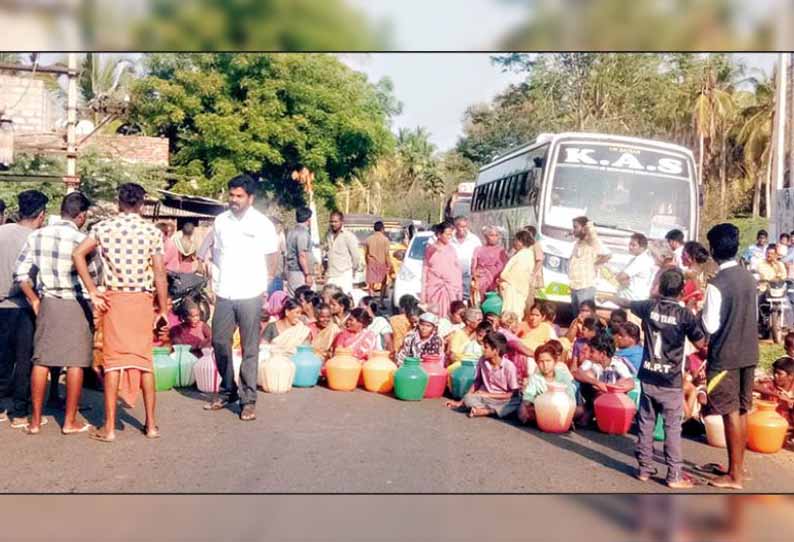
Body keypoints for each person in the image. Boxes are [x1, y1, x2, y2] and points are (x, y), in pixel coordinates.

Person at [73, 183, 168, 442]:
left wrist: (92, 290)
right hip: (142, 300)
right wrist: (163, 308)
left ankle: (110, 427)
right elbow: (160, 273)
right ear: (142, 203)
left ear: (118, 202)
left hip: (114, 300)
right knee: (144, 363)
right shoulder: (152, 232)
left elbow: (78, 254)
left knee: (113, 363)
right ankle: (151, 425)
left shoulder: (103, 228)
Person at [612, 269, 707, 488]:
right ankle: (674, 475)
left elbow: (627, 302)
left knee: (646, 422)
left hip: (648, 375)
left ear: (660, 288)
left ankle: (644, 469)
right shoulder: (685, 316)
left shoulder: (648, 307)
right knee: (672, 428)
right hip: (670, 380)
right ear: (682, 290)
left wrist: (609, 297)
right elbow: (701, 343)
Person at [13, 192, 97, 435]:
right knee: (75, 362)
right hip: (75, 302)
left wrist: (35, 300)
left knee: (42, 359)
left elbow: (20, 275)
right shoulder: (82, 239)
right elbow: (96, 276)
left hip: (47, 301)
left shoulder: (36, 236)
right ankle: (70, 421)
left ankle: (35, 422)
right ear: (81, 216)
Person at [202, 174, 279, 423]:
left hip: (251, 293)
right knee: (220, 342)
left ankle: (248, 400)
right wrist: (214, 281)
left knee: (249, 348)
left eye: (239, 196)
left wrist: (265, 283)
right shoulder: (221, 221)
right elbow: (216, 252)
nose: (234, 200)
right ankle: (228, 390)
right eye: (231, 195)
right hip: (224, 291)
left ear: (250, 198)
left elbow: (272, 256)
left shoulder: (262, 224)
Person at [702, 222, 759, 490]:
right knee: (743, 408)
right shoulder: (749, 277)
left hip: (725, 356)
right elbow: (755, 317)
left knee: (730, 412)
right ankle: (738, 468)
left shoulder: (717, 284)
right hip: (749, 352)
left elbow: (711, 326)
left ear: (713, 250)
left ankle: (734, 476)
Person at [0, 190, 48, 428]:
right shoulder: (36, 239)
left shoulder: (1, 232)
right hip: (24, 305)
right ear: (41, 214)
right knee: (24, 360)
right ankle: (19, 412)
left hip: (0, 306)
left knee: (1, 359)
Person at [444, 331, 521, 419]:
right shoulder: (482, 360)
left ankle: (488, 411)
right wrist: (461, 402)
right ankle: (491, 410)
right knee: (469, 398)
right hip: (485, 399)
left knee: (517, 402)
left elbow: (513, 393)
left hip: (503, 399)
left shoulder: (509, 366)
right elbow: (477, 382)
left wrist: (488, 395)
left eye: (486, 347)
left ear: (496, 350)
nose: (482, 349)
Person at [573, 334, 637, 427]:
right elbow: (578, 373)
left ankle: (590, 413)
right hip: (594, 398)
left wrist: (611, 389)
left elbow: (631, 383)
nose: (589, 355)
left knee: (622, 381)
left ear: (602, 354)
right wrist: (598, 383)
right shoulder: (591, 362)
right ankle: (590, 411)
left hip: (612, 401)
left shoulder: (618, 364)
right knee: (587, 375)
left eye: (592, 351)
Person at [517, 343, 576, 426]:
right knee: (525, 411)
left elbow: (571, 398)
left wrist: (569, 414)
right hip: (543, 408)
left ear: (555, 361)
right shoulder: (535, 378)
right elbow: (528, 397)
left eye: (548, 361)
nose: (545, 365)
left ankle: (560, 420)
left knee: (580, 410)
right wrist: (524, 406)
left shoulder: (564, 376)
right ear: (537, 363)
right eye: (541, 362)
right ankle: (556, 422)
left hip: (562, 408)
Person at [753, 344, 794, 444]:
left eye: (779, 374)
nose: (775, 376)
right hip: (770, 426)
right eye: (774, 372)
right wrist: (777, 395)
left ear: (791, 376)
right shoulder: (770, 385)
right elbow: (752, 386)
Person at [568, 216, 611, 311]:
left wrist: (595, 264)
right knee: (577, 318)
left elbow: (607, 255)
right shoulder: (579, 242)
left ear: (584, 228)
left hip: (585, 287)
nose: (573, 230)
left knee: (586, 317)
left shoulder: (592, 241)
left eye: (575, 227)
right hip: (575, 286)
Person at [421, 221, 462, 318]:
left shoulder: (452, 249)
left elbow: (456, 270)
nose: (449, 237)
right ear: (439, 234)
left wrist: (458, 290)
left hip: (451, 289)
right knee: (435, 317)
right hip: (435, 289)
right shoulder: (431, 249)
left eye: (451, 235)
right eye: (447, 234)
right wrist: (423, 296)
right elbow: (425, 272)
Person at [498, 229, 536, 316]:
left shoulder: (525, 255)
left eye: (515, 240)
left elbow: (516, 275)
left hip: (515, 289)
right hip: (514, 289)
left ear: (521, 241)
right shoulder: (522, 254)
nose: (514, 243)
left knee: (512, 313)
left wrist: (503, 279)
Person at [470, 225, 508, 306]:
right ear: (486, 236)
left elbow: (503, 267)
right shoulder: (478, 249)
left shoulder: (501, 250)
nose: (494, 238)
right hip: (480, 278)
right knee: (477, 297)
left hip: (495, 279)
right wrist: (475, 275)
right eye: (491, 235)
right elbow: (473, 265)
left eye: (496, 235)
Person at [325, 211, 360, 296]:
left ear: (341, 222)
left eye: (335, 222)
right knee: (329, 299)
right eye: (331, 221)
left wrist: (353, 270)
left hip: (344, 273)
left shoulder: (348, 236)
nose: (333, 224)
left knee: (343, 299)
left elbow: (356, 256)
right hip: (332, 274)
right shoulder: (329, 235)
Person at [449, 216, 481, 304]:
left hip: (468, 274)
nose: (463, 229)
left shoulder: (474, 239)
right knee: (454, 298)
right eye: (460, 226)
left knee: (467, 297)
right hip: (452, 275)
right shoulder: (449, 238)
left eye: (465, 226)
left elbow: (479, 256)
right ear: (455, 227)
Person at [616, 233, 657, 301]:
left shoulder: (641, 260)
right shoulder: (638, 259)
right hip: (632, 298)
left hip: (632, 299)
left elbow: (621, 276)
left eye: (633, 245)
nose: (630, 247)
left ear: (642, 247)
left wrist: (622, 278)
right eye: (630, 244)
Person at [285, 206, 314, 295]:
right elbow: (302, 255)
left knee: (293, 299)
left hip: (291, 271)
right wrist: (307, 274)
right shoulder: (303, 233)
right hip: (299, 272)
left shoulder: (291, 232)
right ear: (308, 219)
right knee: (303, 299)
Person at [364, 220, 392, 302]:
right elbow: (387, 254)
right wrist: (389, 264)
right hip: (381, 263)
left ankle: (371, 300)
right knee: (383, 282)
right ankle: (381, 302)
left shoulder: (368, 239)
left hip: (371, 262)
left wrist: (367, 262)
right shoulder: (385, 240)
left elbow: (366, 253)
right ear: (382, 229)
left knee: (371, 283)